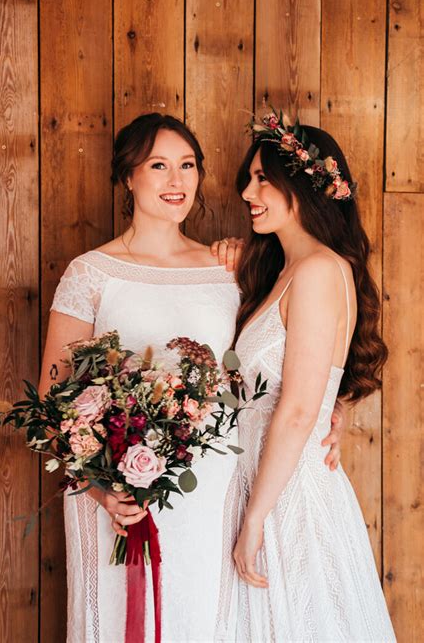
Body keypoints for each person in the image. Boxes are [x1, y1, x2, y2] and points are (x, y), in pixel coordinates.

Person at [39, 113, 344, 642]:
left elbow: (286, 355)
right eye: (159, 165)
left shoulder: (232, 267)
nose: (176, 181)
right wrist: (102, 492)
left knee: (199, 618)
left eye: (188, 166)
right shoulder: (90, 272)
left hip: (209, 491)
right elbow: (50, 401)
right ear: (128, 176)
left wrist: (333, 410)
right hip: (117, 497)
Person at [224, 112, 396, 641]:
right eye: (249, 178)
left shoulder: (320, 270)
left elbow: (299, 410)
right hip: (267, 481)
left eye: (262, 179)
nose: (248, 191)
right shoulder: (285, 271)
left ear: (302, 186)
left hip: (289, 493)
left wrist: (255, 518)